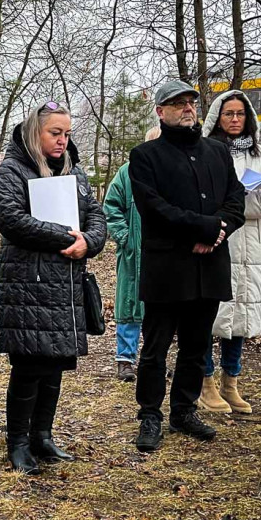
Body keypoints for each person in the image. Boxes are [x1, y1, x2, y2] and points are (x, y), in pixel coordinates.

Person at [129, 80, 245, 453]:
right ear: (160, 112)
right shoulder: (145, 155)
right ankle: (150, 414)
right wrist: (206, 226)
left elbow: (235, 201)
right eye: (177, 104)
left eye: (191, 102)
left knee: (196, 346)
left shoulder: (216, 152)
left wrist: (217, 233)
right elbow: (154, 208)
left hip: (209, 263)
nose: (187, 108)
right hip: (167, 266)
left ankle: (184, 410)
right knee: (156, 347)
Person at [0, 101, 107, 475]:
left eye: (67, 133)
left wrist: (88, 241)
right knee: (29, 363)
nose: (62, 140)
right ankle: (18, 443)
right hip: (28, 284)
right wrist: (65, 236)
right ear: (34, 133)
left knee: (55, 362)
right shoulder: (12, 169)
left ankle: (42, 435)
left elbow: (97, 216)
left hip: (66, 285)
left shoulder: (76, 173)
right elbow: (10, 219)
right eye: (54, 133)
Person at [199, 89, 261, 415]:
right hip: (218, 242)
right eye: (228, 114)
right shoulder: (207, 151)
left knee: (242, 318)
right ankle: (205, 385)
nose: (235, 120)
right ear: (217, 118)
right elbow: (205, 198)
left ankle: (230, 383)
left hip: (251, 250)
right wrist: (236, 200)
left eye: (240, 114)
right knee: (212, 317)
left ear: (248, 117)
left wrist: (237, 200)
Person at [104, 127, 161, 382]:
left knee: (159, 309)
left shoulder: (172, 174)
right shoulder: (127, 173)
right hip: (133, 253)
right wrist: (125, 237)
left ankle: (154, 358)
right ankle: (125, 360)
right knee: (129, 304)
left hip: (163, 253)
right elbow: (111, 207)